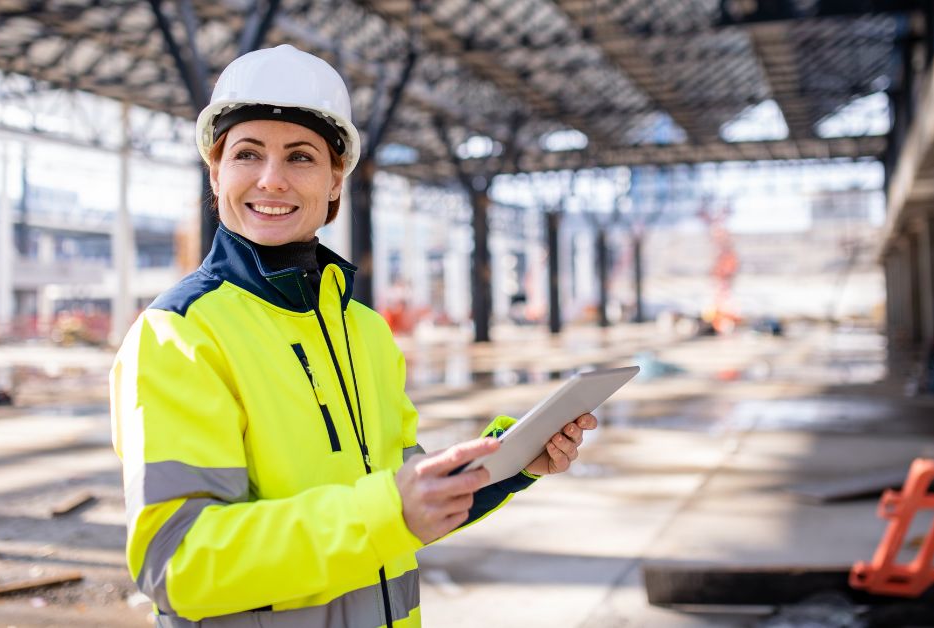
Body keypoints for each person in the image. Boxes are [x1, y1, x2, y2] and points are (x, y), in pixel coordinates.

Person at [109, 44, 598, 628]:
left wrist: (509, 463)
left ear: (335, 179)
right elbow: (179, 564)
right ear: (216, 174)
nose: (272, 179)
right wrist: (388, 511)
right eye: (246, 154)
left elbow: (406, 493)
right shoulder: (179, 336)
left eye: (300, 157)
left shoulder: (364, 331)